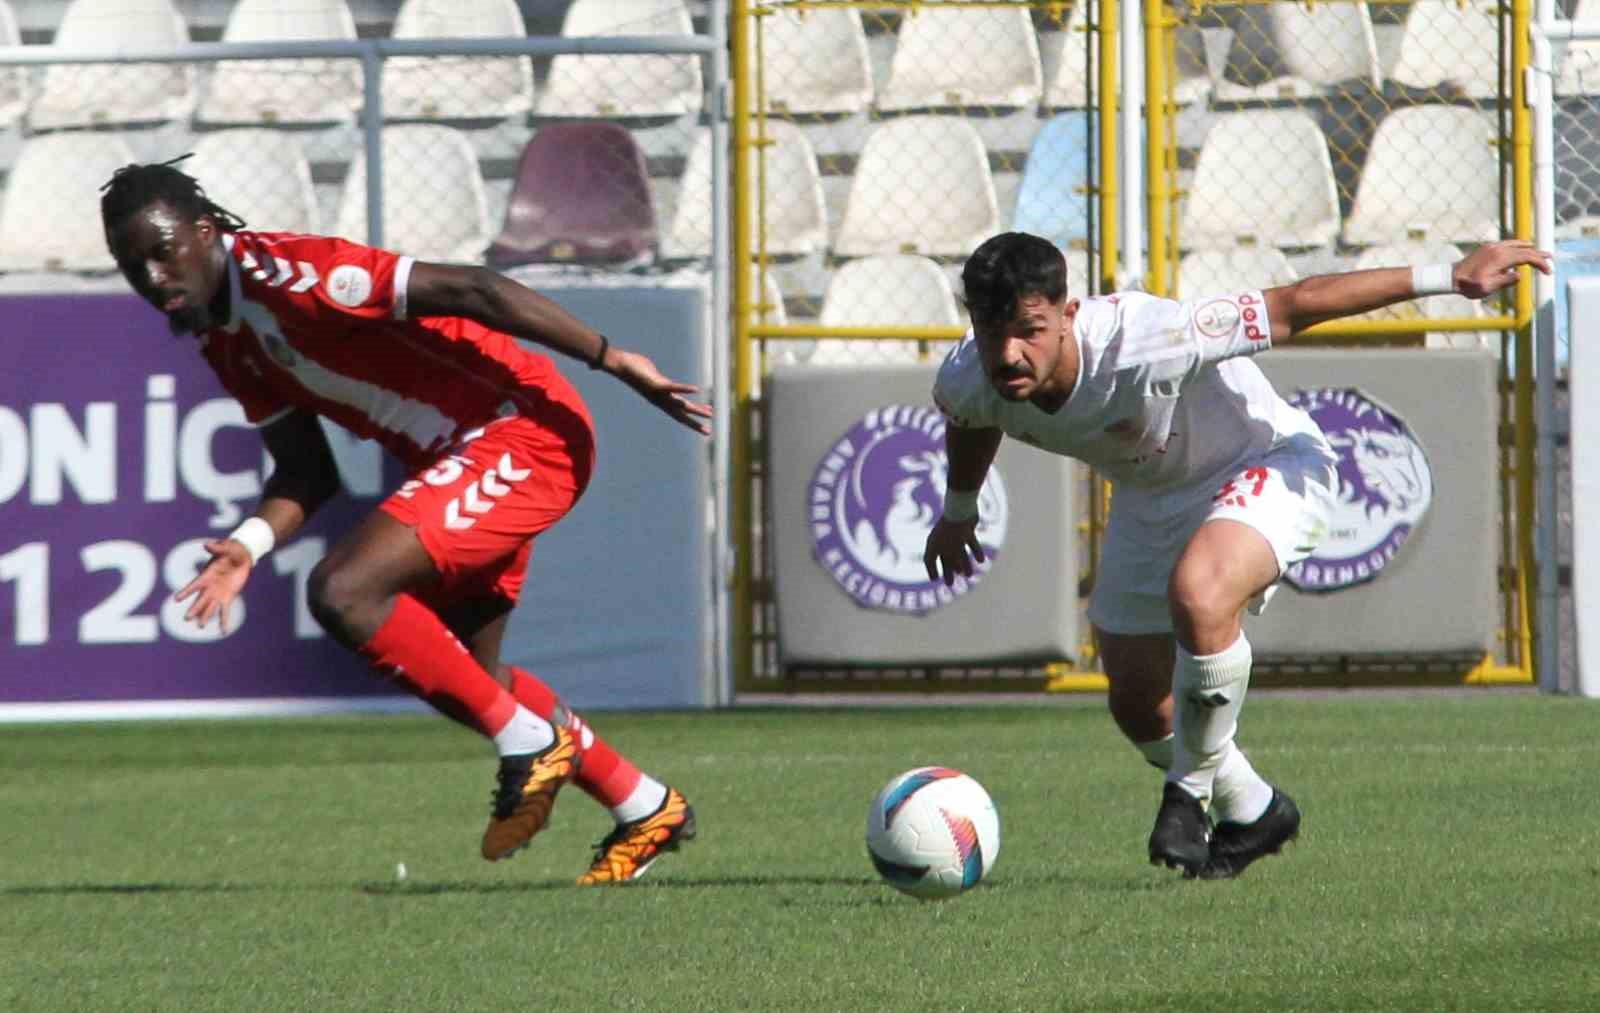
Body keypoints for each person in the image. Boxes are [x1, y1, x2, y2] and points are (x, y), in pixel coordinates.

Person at [101, 157, 707, 884]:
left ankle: (530, 742)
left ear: (204, 233)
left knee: (344, 590)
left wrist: (612, 358)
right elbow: (306, 470)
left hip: (522, 432)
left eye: (162, 251)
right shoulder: (223, 339)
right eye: (132, 265)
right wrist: (248, 545)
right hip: (464, 459)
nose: (152, 277)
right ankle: (644, 805)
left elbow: (473, 288)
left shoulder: (296, 275)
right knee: (471, 678)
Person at [924, 232, 1550, 879]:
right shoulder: (971, 377)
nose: (1009, 352)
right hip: (1153, 494)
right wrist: (960, 509)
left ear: (1069, 313)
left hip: (1268, 462)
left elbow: (1295, 303)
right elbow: (973, 420)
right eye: (991, 330)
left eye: (1029, 329)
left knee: (1201, 594)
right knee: (1140, 706)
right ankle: (1254, 809)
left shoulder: (1150, 338)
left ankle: (1187, 796)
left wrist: (1449, 274)